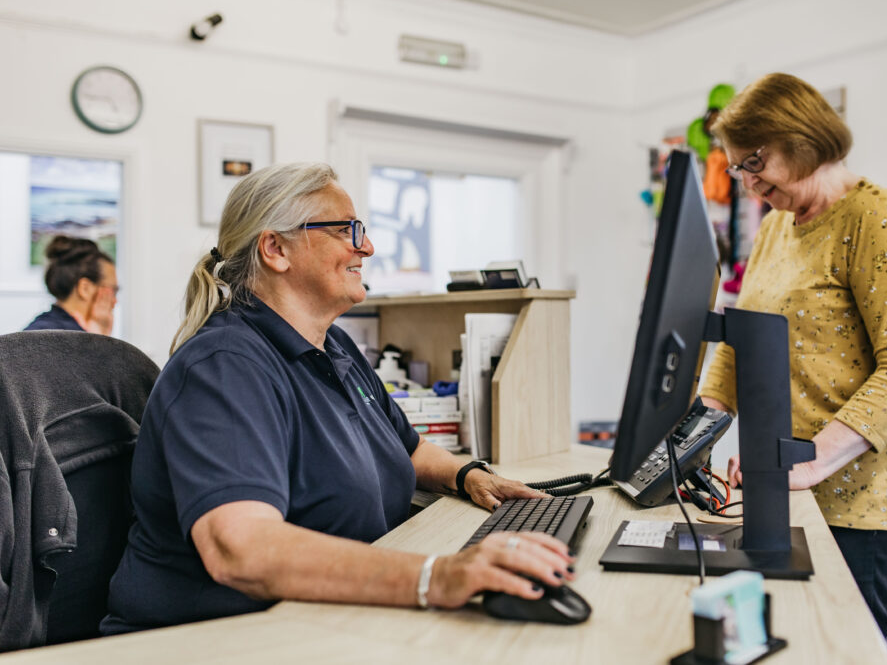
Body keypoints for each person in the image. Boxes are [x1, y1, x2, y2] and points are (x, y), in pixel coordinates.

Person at [101, 162, 573, 634]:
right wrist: (437, 576)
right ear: (276, 249)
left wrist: (468, 474)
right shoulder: (223, 367)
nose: (366, 246)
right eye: (346, 230)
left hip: (315, 618)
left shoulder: (334, 344)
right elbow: (238, 549)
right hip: (214, 638)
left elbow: (404, 445)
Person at [698, 73, 887, 637]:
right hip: (785, 481)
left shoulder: (876, 220)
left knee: (844, 644)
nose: (748, 182)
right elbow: (742, 333)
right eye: (738, 168)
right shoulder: (776, 226)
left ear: (802, 139)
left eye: (754, 162)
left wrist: (812, 458)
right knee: (798, 638)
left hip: (861, 497)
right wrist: (695, 431)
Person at [23, 235, 118, 334]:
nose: (115, 301)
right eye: (113, 291)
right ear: (85, 288)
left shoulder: (41, 330)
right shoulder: (55, 337)